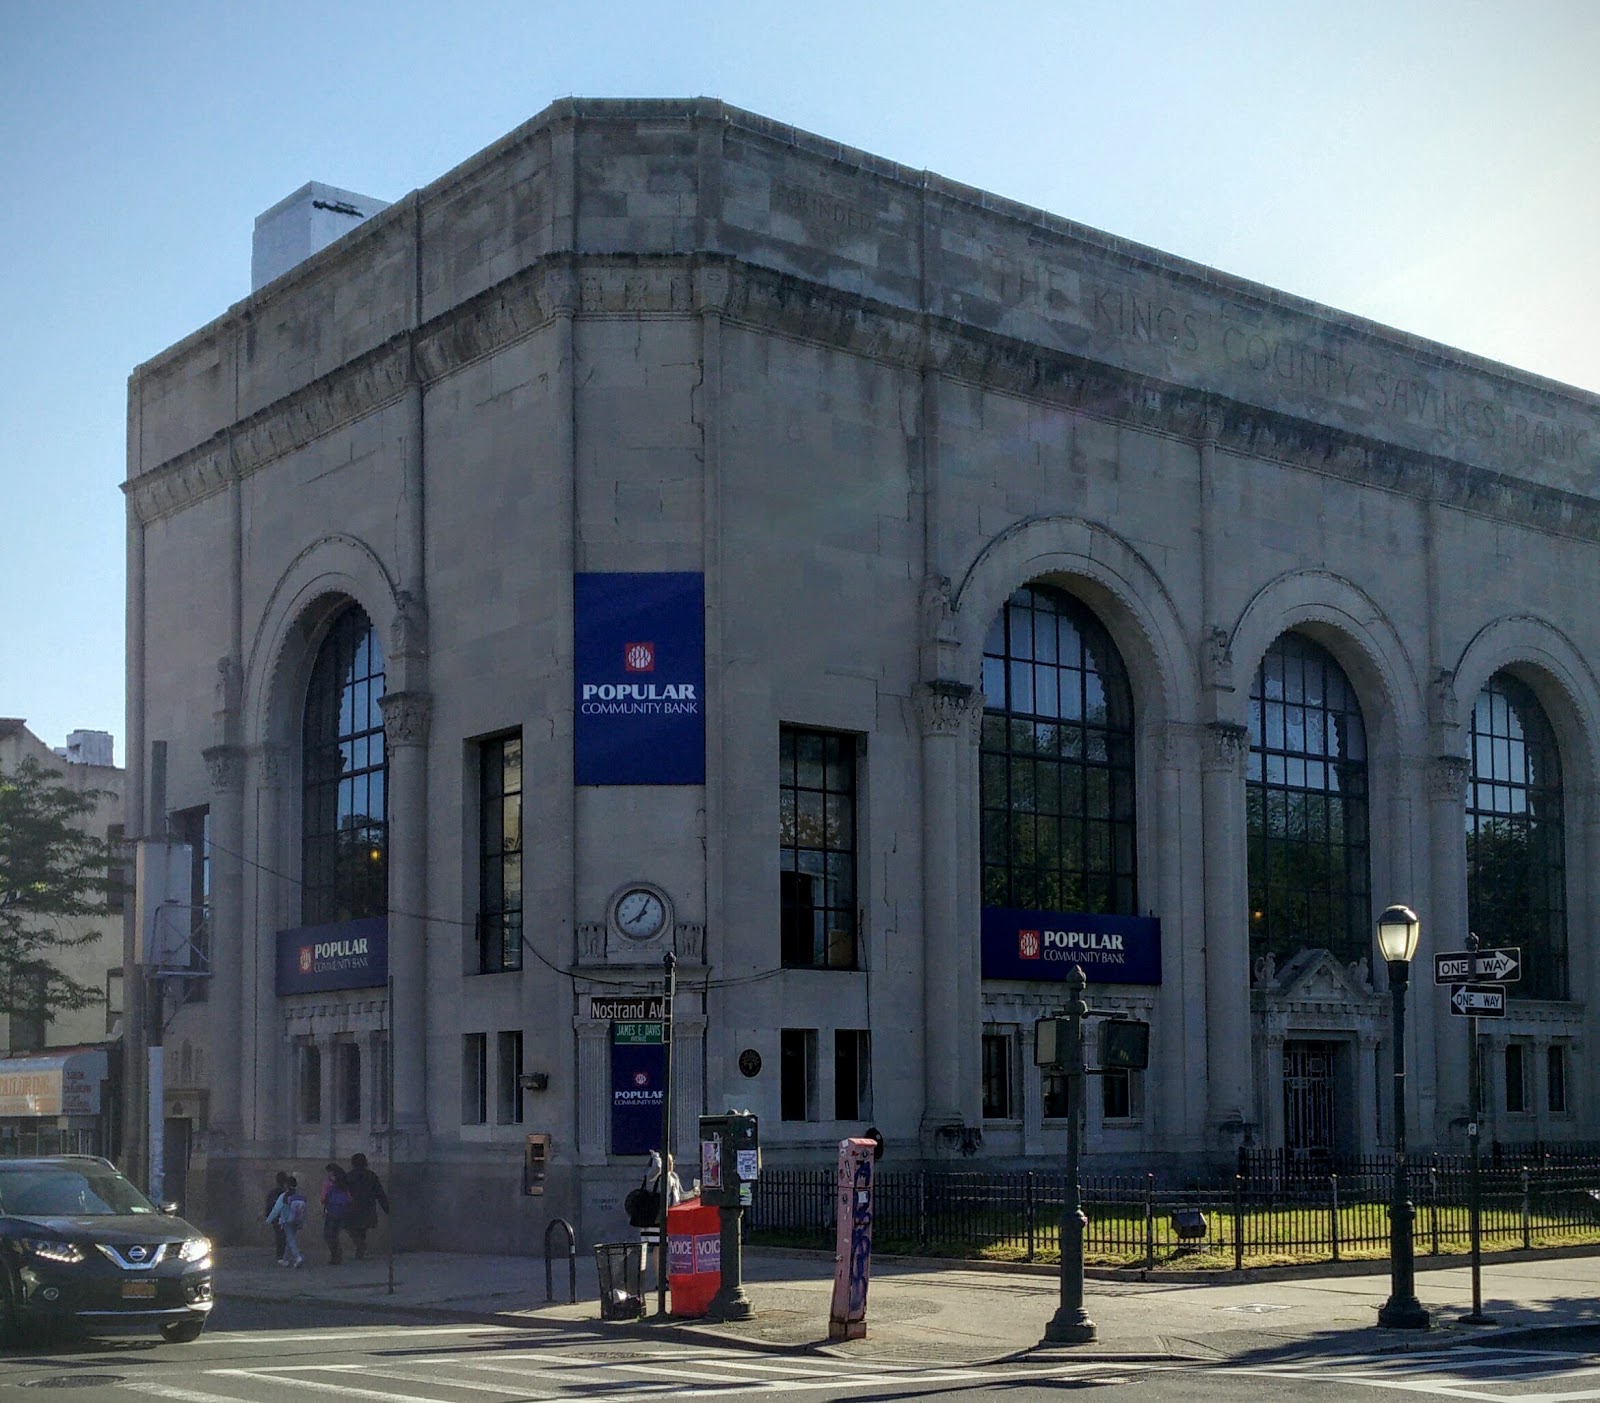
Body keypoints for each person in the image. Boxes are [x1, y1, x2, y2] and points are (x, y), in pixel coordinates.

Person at [637, 1150, 683, 1277]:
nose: (671, 1164)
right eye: (668, 1162)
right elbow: (657, 1168)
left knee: (668, 1247)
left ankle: (668, 1275)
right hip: (655, 1217)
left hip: (670, 1217)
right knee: (658, 1247)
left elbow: (680, 1197)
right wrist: (656, 1157)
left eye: (672, 1161)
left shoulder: (673, 1177)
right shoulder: (654, 1175)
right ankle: (660, 1279)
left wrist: (695, 1193)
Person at [344, 1152, 390, 1261]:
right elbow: (380, 1193)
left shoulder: (349, 1176)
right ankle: (360, 1248)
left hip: (352, 1207)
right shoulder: (371, 1175)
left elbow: (343, 1192)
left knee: (350, 1227)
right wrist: (386, 1207)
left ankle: (360, 1245)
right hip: (367, 1207)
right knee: (362, 1229)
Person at [265, 1174, 306, 1268]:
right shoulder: (299, 1195)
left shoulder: (284, 1196)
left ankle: (298, 1257)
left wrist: (268, 1220)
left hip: (287, 1220)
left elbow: (276, 1209)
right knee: (290, 1239)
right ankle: (285, 1259)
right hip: (297, 1220)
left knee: (290, 1239)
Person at [321, 1163, 351, 1265]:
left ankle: (335, 1256)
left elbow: (323, 1198)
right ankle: (337, 1255)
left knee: (328, 1235)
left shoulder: (328, 1183)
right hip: (342, 1212)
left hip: (331, 1211)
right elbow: (349, 1198)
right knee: (335, 1234)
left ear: (332, 1172)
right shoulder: (343, 1182)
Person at [264, 1170, 288, 1264]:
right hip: (285, 1217)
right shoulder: (286, 1193)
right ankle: (284, 1254)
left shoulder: (272, 1193)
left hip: (276, 1218)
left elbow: (269, 1206)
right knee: (285, 1236)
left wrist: (268, 1217)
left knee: (279, 1236)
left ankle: (280, 1255)